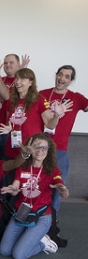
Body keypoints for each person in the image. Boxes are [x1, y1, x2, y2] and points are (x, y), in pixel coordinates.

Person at [0, 133, 69, 259]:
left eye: (44, 148)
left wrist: (63, 190)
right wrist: (13, 190)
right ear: (30, 148)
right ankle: (29, 238)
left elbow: (61, 188)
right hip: (21, 213)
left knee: (19, 255)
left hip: (41, 216)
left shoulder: (52, 170)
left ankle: (44, 243)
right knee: (5, 251)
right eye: (37, 146)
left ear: (49, 151)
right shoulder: (23, 167)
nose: (40, 150)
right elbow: (15, 189)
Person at [39, 65, 87, 213]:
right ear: (56, 75)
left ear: (71, 80)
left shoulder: (76, 98)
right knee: (36, 185)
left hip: (59, 150)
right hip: (39, 148)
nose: (62, 78)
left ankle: (52, 223)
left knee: (57, 188)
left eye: (67, 76)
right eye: (60, 74)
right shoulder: (42, 94)